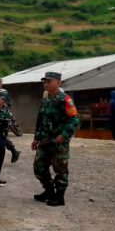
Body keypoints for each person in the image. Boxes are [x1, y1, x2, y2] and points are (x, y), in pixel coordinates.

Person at [31, 72, 80, 207]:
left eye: (49, 81)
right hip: (45, 139)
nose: (46, 84)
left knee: (60, 169)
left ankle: (59, 197)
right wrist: (36, 138)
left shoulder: (65, 100)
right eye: (44, 82)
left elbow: (74, 120)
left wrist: (64, 135)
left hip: (59, 141)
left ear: (58, 82)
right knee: (39, 167)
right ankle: (49, 191)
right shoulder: (45, 100)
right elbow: (40, 121)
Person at [0, 76, 21, 163]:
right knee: (1, 136)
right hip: (6, 117)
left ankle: (14, 151)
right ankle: (12, 152)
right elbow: (9, 104)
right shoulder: (5, 91)